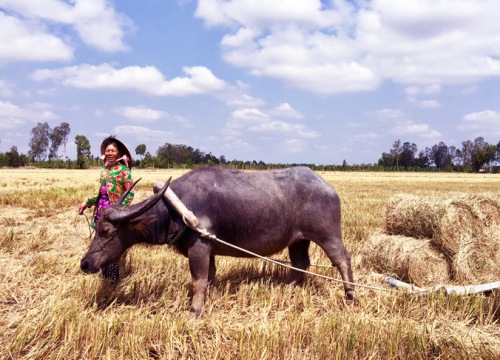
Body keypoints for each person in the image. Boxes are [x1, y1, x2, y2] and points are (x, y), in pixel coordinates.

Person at [78, 136, 134, 284]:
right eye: (107, 150)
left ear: (118, 153)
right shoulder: (104, 170)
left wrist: (119, 211)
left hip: (113, 215)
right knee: (99, 243)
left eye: (112, 151)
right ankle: (104, 275)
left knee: (110, 245)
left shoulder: (123, 171)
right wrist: (87, 203)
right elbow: (101, 193)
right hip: (100, 212)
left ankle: (112, 281)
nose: (109, 153)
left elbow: (130, 193)